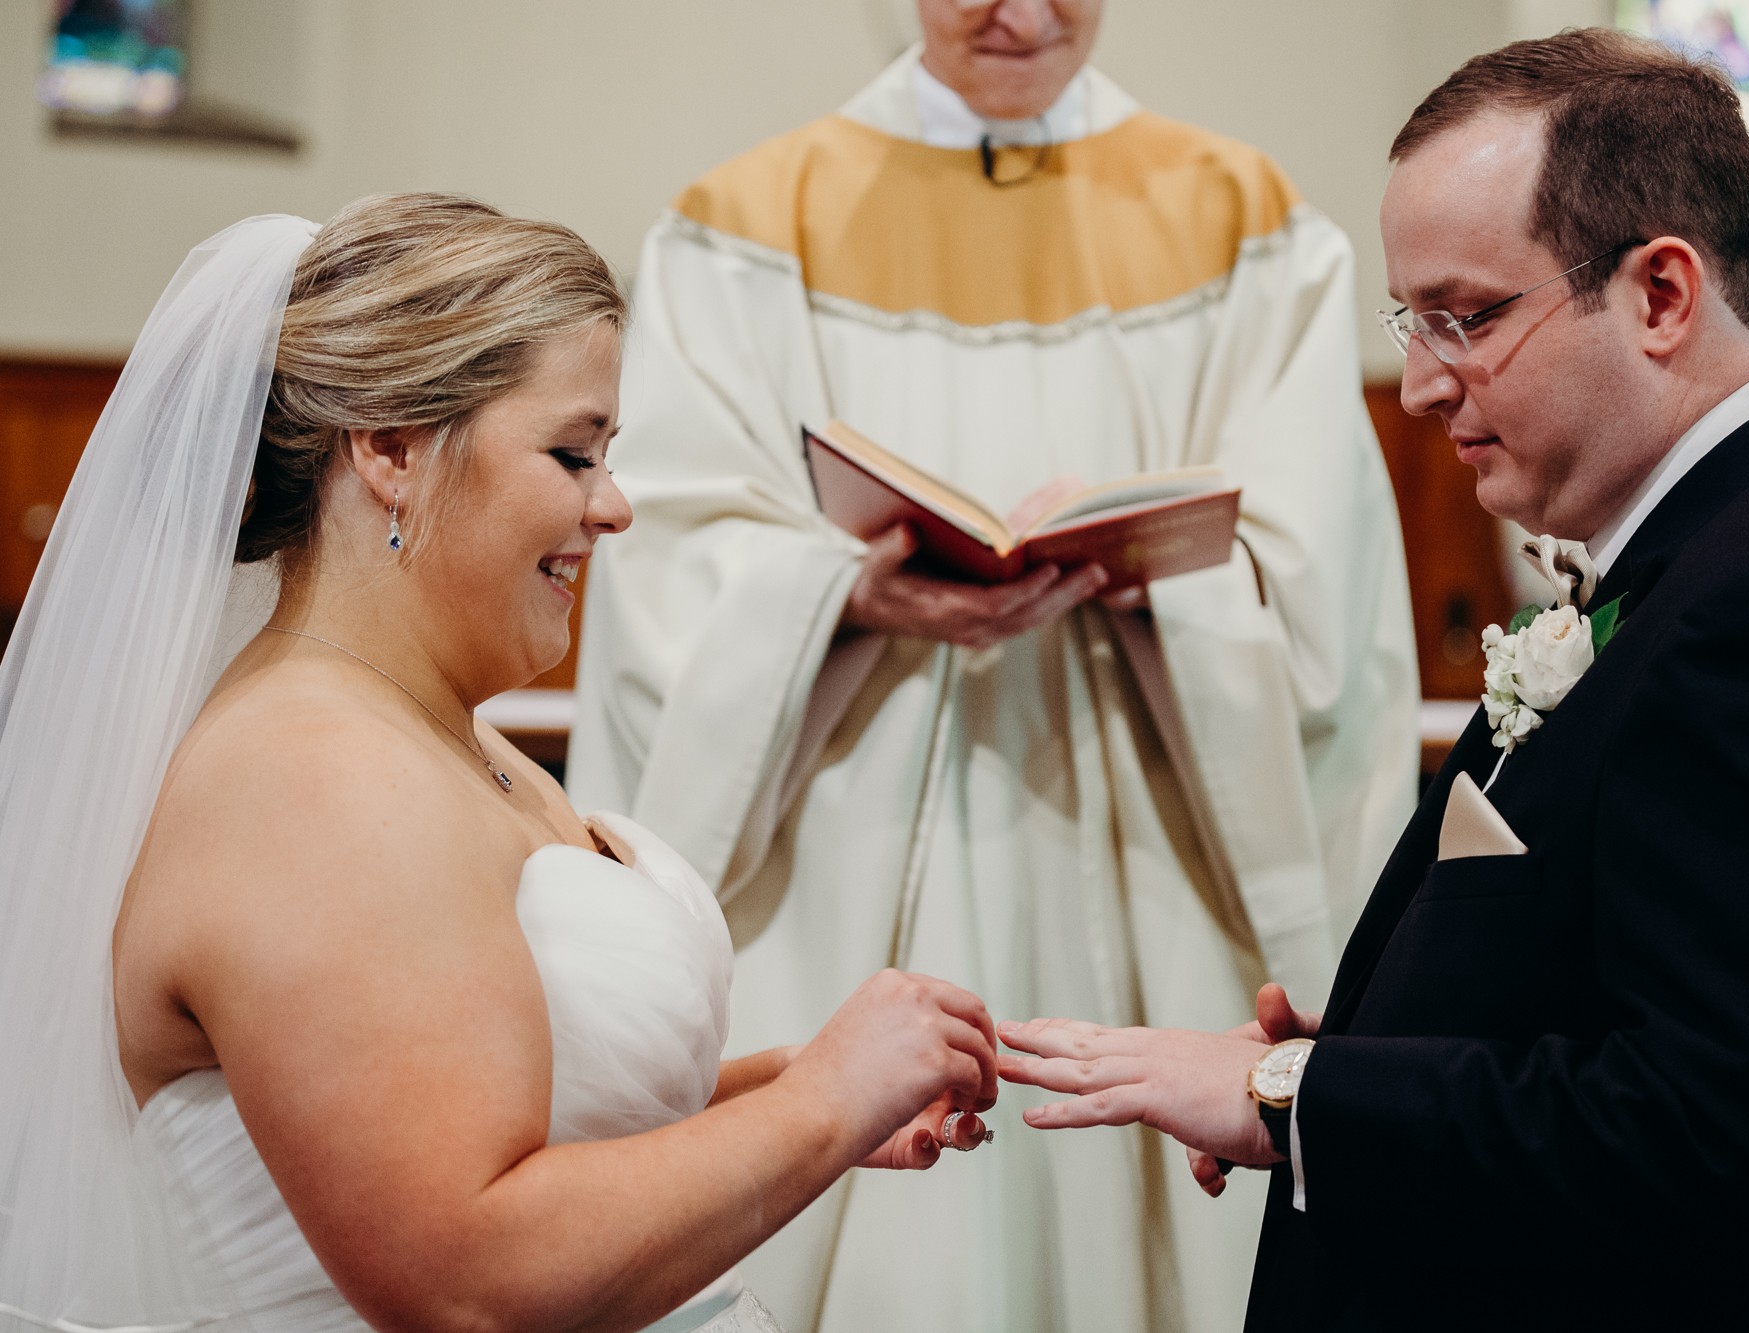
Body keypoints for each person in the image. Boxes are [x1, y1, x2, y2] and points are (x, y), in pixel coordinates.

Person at [996, 29, 1749, 1331]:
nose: (1417, 385)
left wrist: (1295, 1096)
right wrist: (1375, 1036)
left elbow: (1722, 1144)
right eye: (1409, 323)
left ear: (1660, 296)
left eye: (1464, 317)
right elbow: (1616, 988)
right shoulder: (1718, 565)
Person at [0, 194, 1001, 1333]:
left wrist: (795, 1087)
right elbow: (462, 1277)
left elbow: (504, 1106)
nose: (614, 507)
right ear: (388, 447)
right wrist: (822, 1104)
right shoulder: (314, 778)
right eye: (573, 452)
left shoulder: (444, 734)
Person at [564, 1, 1419, 1327]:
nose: (1013, 10)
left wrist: (1159, 564)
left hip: (1143, 811)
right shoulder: (744, 222)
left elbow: (1316, 571)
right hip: (851, 814)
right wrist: (844, 585)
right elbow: (668, 546)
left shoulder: (1238, 216)